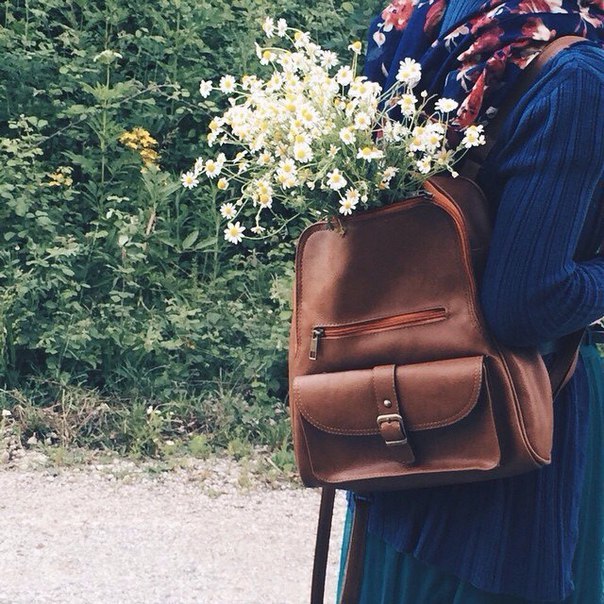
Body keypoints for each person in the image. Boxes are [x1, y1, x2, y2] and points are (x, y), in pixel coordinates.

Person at [337, 1, 604, 602]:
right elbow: (528, 303)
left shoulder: (417, 24)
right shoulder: (578, 77)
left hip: (403, 403)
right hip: (513, 433)